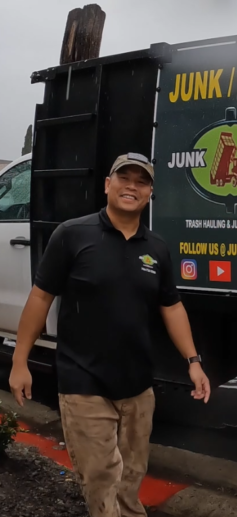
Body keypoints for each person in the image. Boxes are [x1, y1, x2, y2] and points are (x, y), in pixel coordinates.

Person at [7, 152, 211, 517]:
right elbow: (40, 297)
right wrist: (20, 361)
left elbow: (172, 306)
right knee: (101, 476)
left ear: (150, 192)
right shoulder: (72, 235)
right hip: (82, 380)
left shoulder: (156, 249)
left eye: (141, 181)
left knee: (131, 478)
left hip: (137, 385)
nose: (132, 186)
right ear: (107, 184)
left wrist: (193, 361)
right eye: (124, 177)